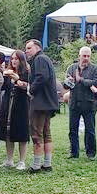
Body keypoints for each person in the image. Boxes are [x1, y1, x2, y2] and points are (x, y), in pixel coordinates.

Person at [25, 39, 59, 173]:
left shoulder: (40, 59)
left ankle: (36, 165)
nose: (27, 51)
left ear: (37, 48)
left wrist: (31, 90)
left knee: (36, 133)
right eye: (26, 49)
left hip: (40, 102)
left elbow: (41, 77)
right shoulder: (44, 59)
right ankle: (47, 163)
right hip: (47, 102)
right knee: (46, 133)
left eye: (29, 48)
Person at [63, 47, 97, 159]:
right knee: (73, 130)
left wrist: (81, 80)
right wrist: (69, 81)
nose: (86, 58)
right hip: (74, 102)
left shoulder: (95, 69)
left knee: (90, 130)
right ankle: (74, 153)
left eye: (88, 56)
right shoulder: (72, 68)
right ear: (79, 56)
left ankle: (91, 153)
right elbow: (65, 86)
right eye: (84, 56)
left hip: (89, 103)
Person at [0, 50, 31, 170]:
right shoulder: (8, 73)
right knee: (8, 132)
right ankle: (9, 160)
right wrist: (3, 76)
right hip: (8, 105)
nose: (13, 61)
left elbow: (28, 88)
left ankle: (22, 161)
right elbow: (2, 88)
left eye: (16, 59)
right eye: (12, 58)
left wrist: (17, 80)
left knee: (22, 133)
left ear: (21, 60)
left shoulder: (26, 73)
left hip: (21, 106)